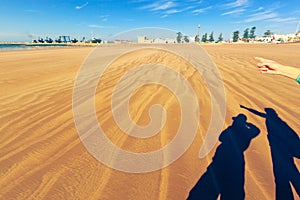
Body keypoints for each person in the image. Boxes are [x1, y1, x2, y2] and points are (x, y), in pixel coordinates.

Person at [187, 114, 260, 200]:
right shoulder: (243, 132)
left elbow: (221, 138)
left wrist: (242, 125)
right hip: (230, 164)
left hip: (223, 164)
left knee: (209, 190)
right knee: (215, 190)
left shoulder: (237, 131)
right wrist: (244, 124)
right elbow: (221, 138)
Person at [240, 105, 300, 200]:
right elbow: (260, 114)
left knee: (287, 174)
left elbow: (291, 136)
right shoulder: (274, 120)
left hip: (280, 150)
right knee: (284, 174)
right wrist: (247, 109)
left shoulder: (277, 122)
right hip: (278, 150)